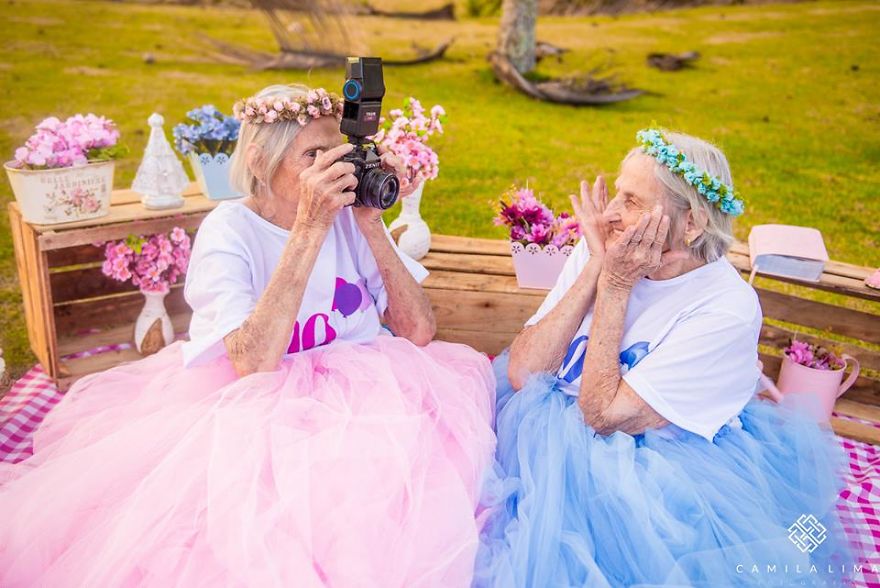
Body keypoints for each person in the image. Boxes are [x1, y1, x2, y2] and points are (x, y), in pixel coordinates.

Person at [0, 85, 497, 587]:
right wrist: (309, 225)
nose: (332, 169)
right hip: (261, 404)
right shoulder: (229, 230)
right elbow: (252, 362)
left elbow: (417, 331)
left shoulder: (352, 216)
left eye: (336, 153)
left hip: (372, 394)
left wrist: (370, 225)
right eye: (312, 156)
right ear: (261, 162)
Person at [474, 129, 854, 587]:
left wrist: (614, 285)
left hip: (650, 460)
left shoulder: (726, 308)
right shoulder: (610, 247)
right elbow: (522, 372)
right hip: (543, 427)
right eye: (616, 192)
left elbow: (602, 415)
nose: (610, 214)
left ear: (690, 224)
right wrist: (597, 265)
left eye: (631, 201)